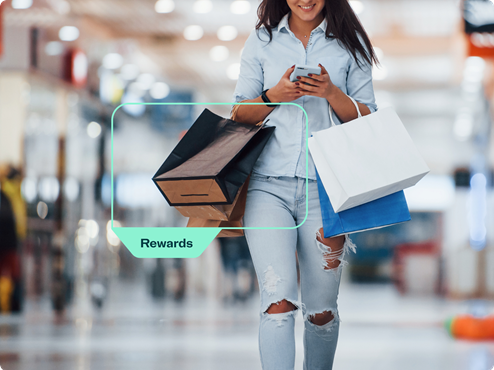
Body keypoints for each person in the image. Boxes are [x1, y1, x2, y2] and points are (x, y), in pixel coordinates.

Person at [232, 1, 379, 369]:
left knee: (321, 311)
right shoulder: (261, 41)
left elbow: (369, 118)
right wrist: (272, 97)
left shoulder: (349, 43)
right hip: (268, 187)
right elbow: (237, 114)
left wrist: (332, 94)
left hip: (328, 191)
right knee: (277, 301)